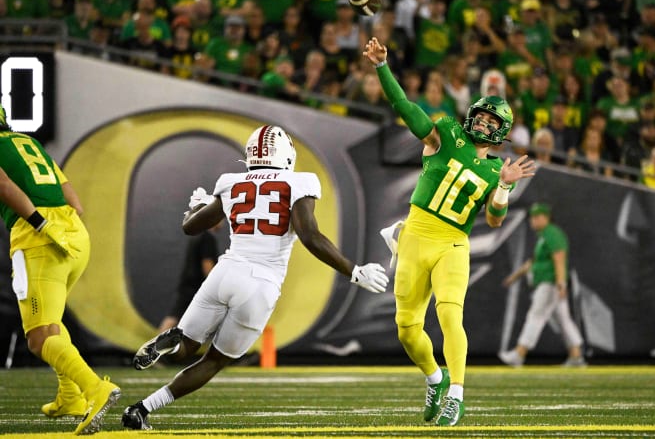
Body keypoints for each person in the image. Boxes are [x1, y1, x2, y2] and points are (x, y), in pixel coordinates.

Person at [122, 125, 388, 430]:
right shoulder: (299, 182)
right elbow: (310, 236)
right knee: (214, 361)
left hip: (225, 272)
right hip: (261, 282)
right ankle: (143, 409)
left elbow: (190, 227)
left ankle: (151, 381)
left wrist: (195, 206)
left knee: (185, 348)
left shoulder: (231, 183)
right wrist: (353, 271)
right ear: (286, 154)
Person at [364, 37, 536, 426]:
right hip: (414, 238)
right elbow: (406, 109)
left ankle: (456, 394)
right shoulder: (445, 134)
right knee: (407, 330)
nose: (485, 123)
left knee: (449, 316)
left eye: (494, 122)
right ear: (473, 114)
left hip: (453, 244)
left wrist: (505, 187)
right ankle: (435, 378)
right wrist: (381, 68)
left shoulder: (496, 170)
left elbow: (494, 220)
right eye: (483, 116)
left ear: (502, 132)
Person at [0, 104, 120, 435]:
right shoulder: (28, 143)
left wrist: (37, 223)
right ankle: (70, 397)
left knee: (38, 338)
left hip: (39, 235)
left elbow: (3, 184)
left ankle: (96, 389)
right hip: (73, 231)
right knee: (52, 323)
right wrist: (64, 222)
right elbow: (71, 194)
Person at [499, 202, 586, 368]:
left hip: (550, 283)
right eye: (532, 217)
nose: (533, 220)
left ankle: (519, 353)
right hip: (550, 283)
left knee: (536, 316)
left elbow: (559, 257)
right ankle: (576, 356)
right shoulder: (544, 235)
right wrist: (514, 277)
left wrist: (560, 282)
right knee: (564, 320)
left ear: (547, 218)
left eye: (537, 217)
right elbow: (533, 262)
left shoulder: (551, 233)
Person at [158, 219, 223, 332]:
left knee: (176, 317)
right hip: (195, 286)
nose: (222, 223)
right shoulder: (208, 238)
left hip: (189, 284)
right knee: (174, 318)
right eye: (221, 219)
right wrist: (215, 286)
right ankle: (154, 348)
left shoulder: (197, 235)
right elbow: (207, 264)